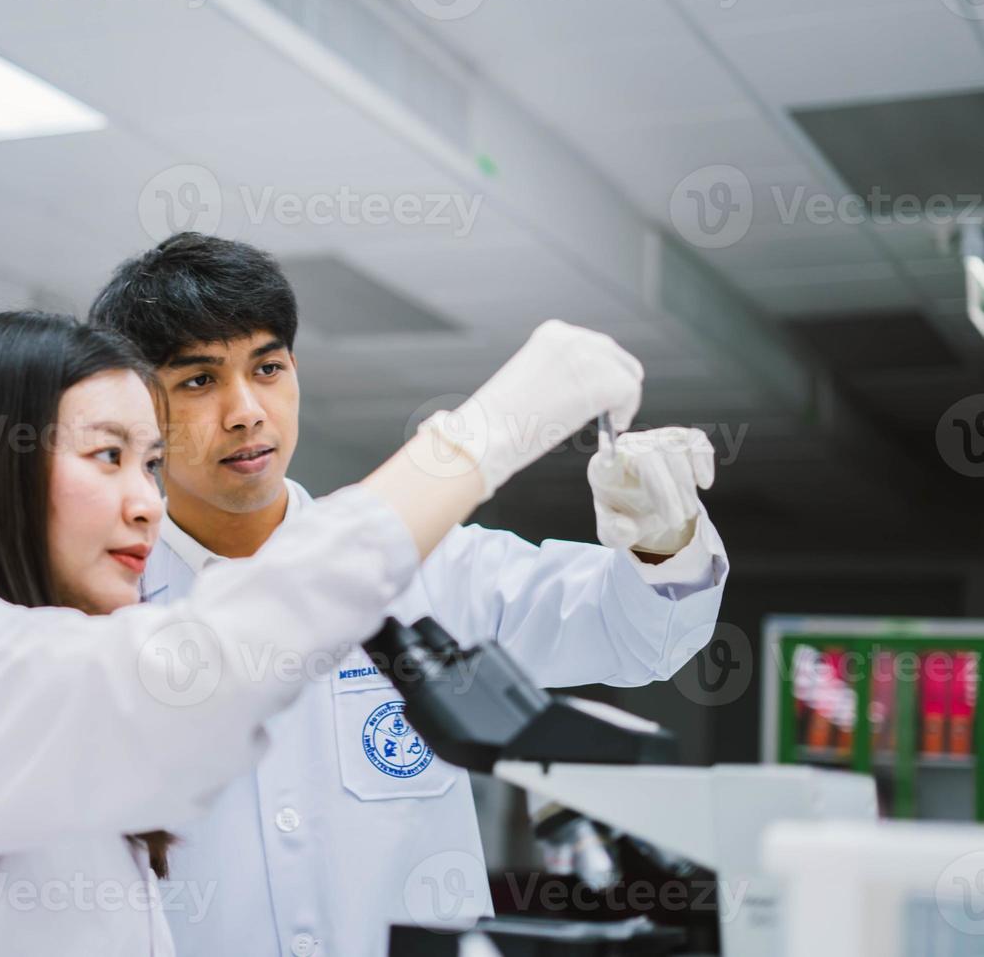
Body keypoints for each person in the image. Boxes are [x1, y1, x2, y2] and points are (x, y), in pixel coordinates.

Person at [0, 309, 644, 957]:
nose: (147, 502)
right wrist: (483, 439)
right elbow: (203, 672)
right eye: (106, 458)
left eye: (148, 464)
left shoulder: (64, 657)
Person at [87, 233, 729, 957]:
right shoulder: (103, 610)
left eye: (267, 367)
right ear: (141, 411)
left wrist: (664, 536)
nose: (246, 411)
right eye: (199, 381)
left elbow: (639, 635)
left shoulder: (435, 568)